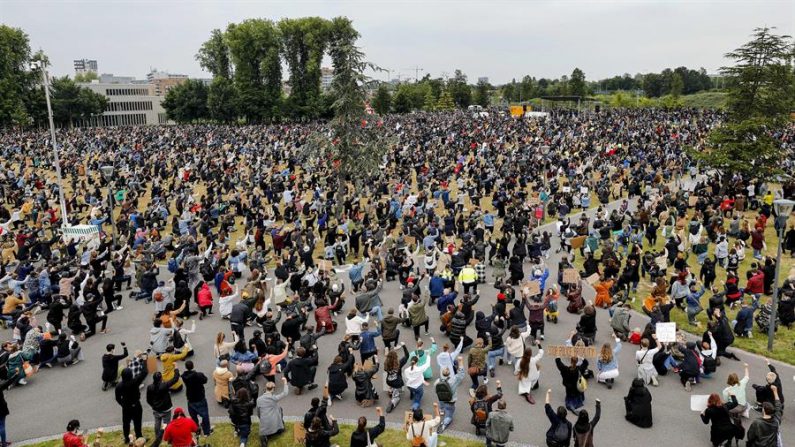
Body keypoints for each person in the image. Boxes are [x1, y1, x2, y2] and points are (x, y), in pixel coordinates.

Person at [146, 370, 182, 447]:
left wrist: (153, 405)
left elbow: (148, 399)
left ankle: (157, 438)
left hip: (156, 409)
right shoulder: (164, 385)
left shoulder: (150, 387)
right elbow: (175, 379)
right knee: (167, 424)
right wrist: (176, 370)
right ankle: (169, 438)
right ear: (160, 378)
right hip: (166, 409)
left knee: (157, 424)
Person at [115, 366, 149, 443]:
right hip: (136, 405)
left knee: (126, 423)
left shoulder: (119, 386)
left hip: (126, 406)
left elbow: (117, 398)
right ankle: (139, 437)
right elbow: (144, 372)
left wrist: (123, 404)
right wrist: (144, 360)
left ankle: (126, 438)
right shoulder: (135, 382)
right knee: (137, 422)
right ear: (131, 375)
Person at [182, 360, 212, 438]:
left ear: (186, 367)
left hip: (190, 399)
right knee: (205, 415)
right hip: (200, 397)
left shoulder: (184, 376)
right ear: (193, 366)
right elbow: (205, 380)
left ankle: (196, 430)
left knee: (193, 416)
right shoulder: (199, 375)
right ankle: (206, 431)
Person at [434, 359, 465, 433]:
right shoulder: (453, 380)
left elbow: (436, 391)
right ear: (449, 373)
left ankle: (441, 410)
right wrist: (460, 362)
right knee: (449, 414)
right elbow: (461, 374)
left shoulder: (437, 381)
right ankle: (444, 423)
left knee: (442, 403)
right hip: (450, 400)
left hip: (441, 398)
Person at [256, 377, 290, 446]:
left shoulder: (259, 399)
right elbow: (285, 393)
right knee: (279, 409)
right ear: (273, 389)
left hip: (264, 422)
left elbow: (258, 412)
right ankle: (280, 428)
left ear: (266, 388)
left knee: (278, 408)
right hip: (274, 420)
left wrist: (261, 418)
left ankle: (264, 441)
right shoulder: (274, 398)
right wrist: (285, 382)